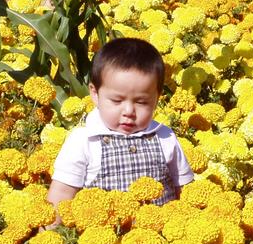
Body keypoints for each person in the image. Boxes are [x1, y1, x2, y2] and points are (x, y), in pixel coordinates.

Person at [47, 37, 194, 225]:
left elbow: (185, 189)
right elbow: (62, 194)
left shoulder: (165, 137)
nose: (129, 111)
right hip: (102, 238)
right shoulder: (84, 140)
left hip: (163, 236)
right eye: (117, 101)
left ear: (157, 98)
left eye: (141, 102)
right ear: (95, 94)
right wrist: (48, 233)